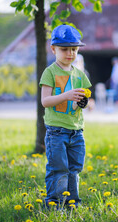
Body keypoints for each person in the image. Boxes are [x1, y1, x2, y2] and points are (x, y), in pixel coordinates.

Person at [39, 24, 92, 208]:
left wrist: (83, 103)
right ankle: (54, 203)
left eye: (74, 49)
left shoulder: (80, 74)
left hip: (76, 131)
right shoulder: (50, 72)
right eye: (64, 49)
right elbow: (45, 101)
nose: (70, 53)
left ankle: (72, 202)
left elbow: (82, 101)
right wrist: (66, 96)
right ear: (53, 49)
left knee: (74, 169)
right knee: (58, 169)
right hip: (57, 131)